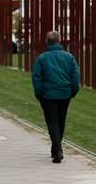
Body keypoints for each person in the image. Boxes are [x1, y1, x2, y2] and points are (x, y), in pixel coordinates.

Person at [32, 31, 80, 163]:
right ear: (59, 41)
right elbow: (75, 76)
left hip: (48, 95)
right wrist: (73, 91)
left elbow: (37, 77)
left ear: (47, 41)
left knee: (52, 122)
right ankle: (56, 149)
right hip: (65, 94)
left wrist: (39, 94)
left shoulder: (41, 58)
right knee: (61, 121)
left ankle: (57, 150)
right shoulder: (69, 57)